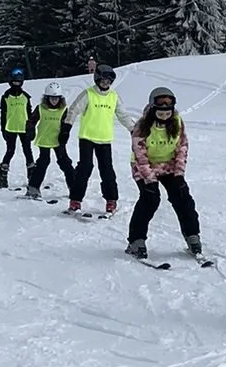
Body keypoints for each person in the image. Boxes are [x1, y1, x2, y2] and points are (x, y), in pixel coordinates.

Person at [125, 87, 201, 259]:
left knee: (182, 198)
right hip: (145, 166)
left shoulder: (177, 121)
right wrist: (149, 178)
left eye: (168, 113)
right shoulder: (142, 126)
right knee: (150, 199)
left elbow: (182, 147)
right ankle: (136, 240)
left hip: (169, 165)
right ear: (153, 109)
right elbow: (139, 155)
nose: (165, 116)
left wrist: (179, 173)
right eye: (161, 113)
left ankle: (192, 236)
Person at [65, 64, 134, 215]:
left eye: (108, 81)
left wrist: (133, 129)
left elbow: (123, 115)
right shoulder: (88, 94)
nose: (105, 83)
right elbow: (73, 110)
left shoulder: (114, 96)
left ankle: (111, 200)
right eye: (103, 80)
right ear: (97, 79)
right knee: (85, 168)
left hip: (104, 139)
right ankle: (75, 200)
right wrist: (67, 127)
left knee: (107, 170)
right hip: (87, 137)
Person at [25, 86, 73, 198]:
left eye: (56, 98)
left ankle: (74, 187)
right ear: (47, 98)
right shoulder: (41, 108)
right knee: (43, 162)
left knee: (65, 162)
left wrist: (65, 133)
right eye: (52, 98)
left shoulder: (63, 109)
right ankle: (33, 187)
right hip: (44, 139)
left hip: (58, 140)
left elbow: (66, 123)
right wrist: (30, 130)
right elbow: (32, 120)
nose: (54, 101)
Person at [0, 67, 34, 187]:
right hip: (10, 128)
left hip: (24, 128)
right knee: (10, 151)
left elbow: (30, 114)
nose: (17, 84)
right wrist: (3, 129)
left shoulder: (26, 97)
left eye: (19, 82)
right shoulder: (6, 97)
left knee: (28, 151)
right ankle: (2, 176)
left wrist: (31, 128)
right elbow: (3, 114)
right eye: (15, 82)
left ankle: (32, 177)